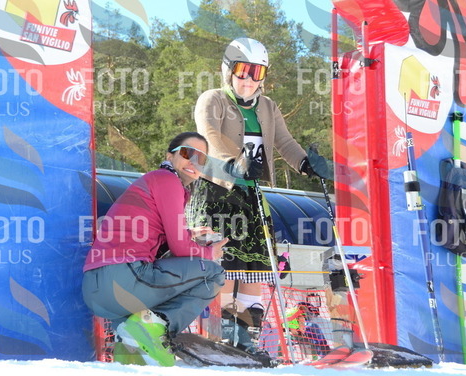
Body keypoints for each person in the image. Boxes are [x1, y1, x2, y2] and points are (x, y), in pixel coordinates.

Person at [192, 37, 329, 352]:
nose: (249, 80)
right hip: (218, 193)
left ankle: (247, 341)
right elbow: (208, 135)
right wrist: (234, 162)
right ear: (228, 70)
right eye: (243, 71)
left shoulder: (268, 107)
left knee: (254, 269)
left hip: (252, 196)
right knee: (226, 266)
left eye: (257, 73)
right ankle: (222, 337)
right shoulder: (212, 99)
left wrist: (306, 164)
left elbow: (285, 142)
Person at [82, 132, 228, 367]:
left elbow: (150, 234)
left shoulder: (154, 182)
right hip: (125, 276)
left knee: (135, 354)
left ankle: (133, 347)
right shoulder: (167, 179)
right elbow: (180, 248)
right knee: (213, 273)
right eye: (188, 153)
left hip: (96, 291)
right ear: (169, 156)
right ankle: (154, 326)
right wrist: (210, 253)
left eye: (202, 159)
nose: (194, 162)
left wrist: (189, 233)